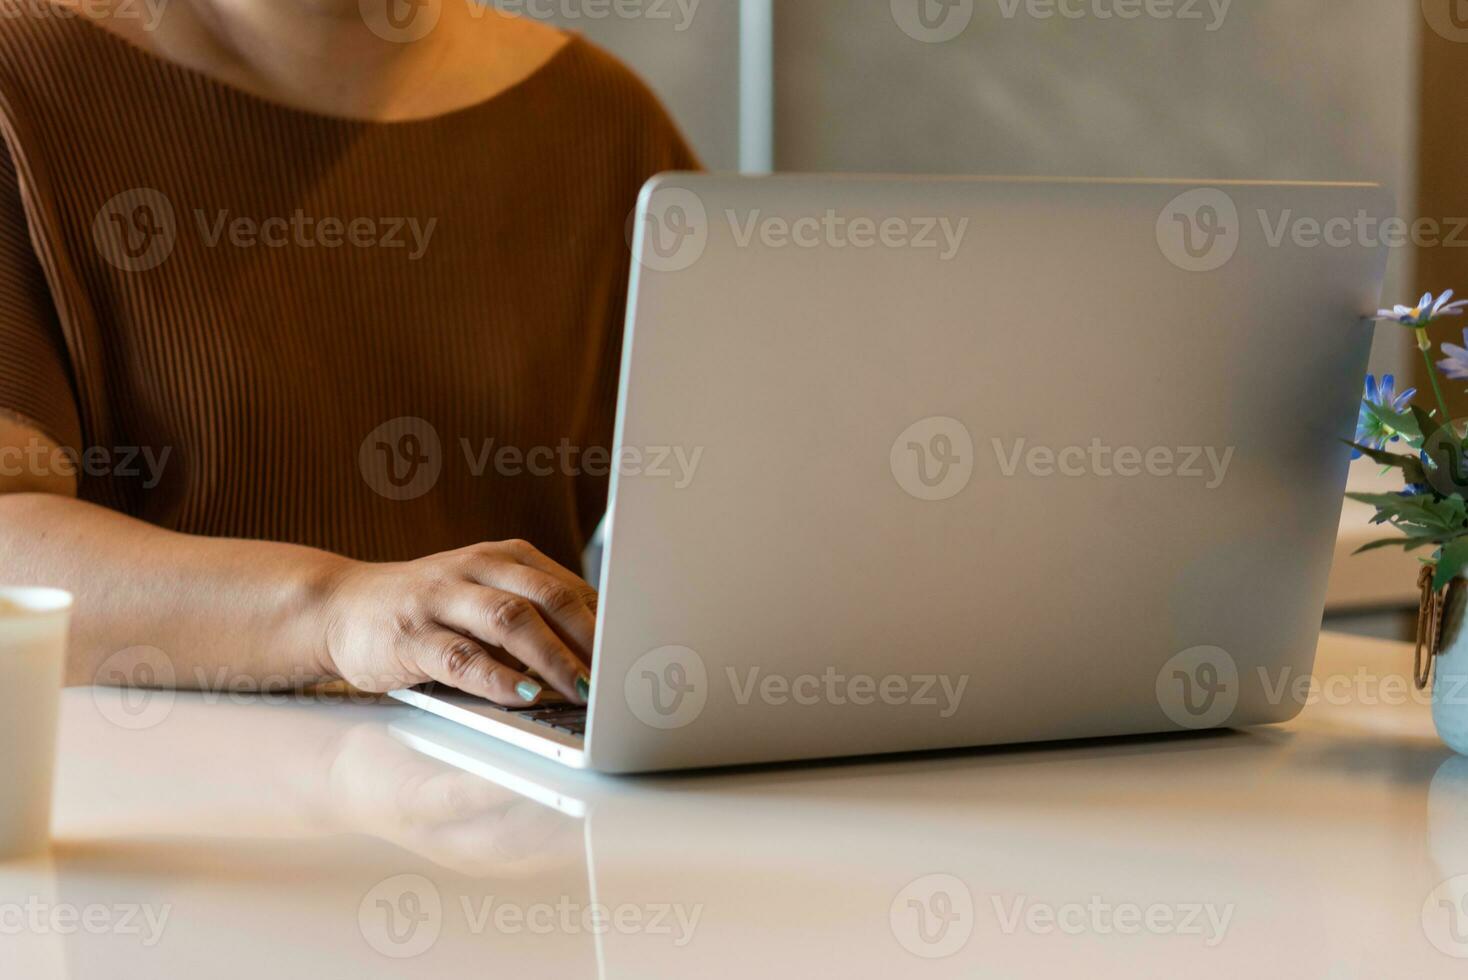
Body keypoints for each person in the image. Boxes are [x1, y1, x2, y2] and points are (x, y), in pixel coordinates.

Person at [0, 0, 698, 707]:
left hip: (518, 795)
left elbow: (743, 504)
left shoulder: (600, 115)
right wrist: (337, 610)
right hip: (173, 792)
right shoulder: (23, 75)